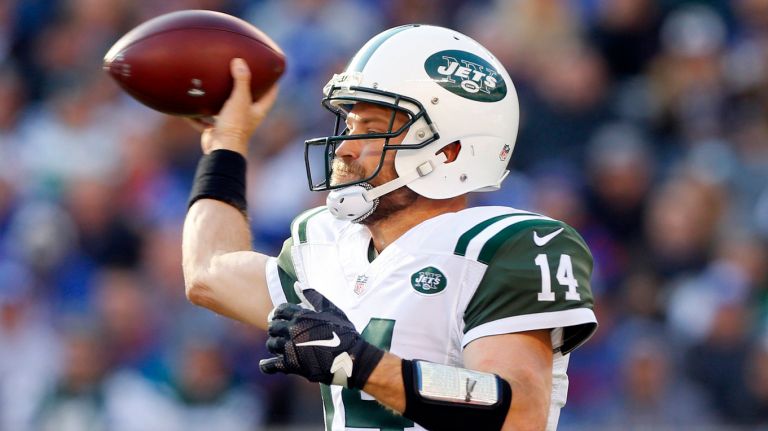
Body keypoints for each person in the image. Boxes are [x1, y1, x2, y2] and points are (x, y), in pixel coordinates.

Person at [183, 24, 597, 431]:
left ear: (450, 151)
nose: (345, 147)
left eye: (373, 128)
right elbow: (208, 271)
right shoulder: (327, 241)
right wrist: (228, 141)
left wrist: (363, 364)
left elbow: (518, 412)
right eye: (349, 125)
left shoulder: (504, 245)